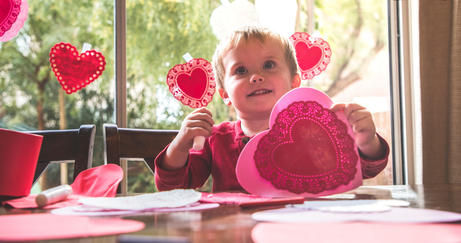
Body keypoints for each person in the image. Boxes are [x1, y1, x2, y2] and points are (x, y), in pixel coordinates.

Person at [155, 24, 389, 192]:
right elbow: (173, 185)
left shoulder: (314, 130)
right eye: (241, 71)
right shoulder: (215, 140)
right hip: (235, 239)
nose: (256, 77)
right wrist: (180, 144)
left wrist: (366, 141)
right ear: (225, 94)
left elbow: (364, 169)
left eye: (269, 65)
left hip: (303, 232)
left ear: (294, 83)